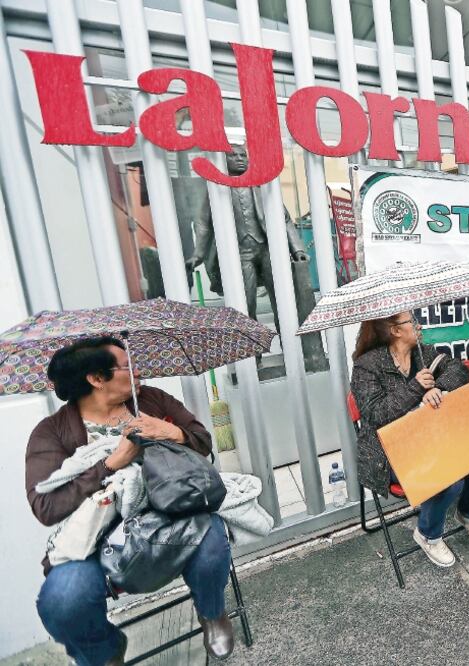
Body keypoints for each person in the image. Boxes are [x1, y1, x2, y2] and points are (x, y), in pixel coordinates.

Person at [26, 337, 234, 665]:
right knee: (62, 602)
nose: (137, 373)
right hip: (95, 543)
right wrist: (110, 464)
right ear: (96, 378)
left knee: (211, 536)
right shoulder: (51, 433)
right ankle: (105, 650)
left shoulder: (149, 400)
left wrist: (173, 433)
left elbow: (203, 440)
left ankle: (211, 612)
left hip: (168, 516)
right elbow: (46, 507)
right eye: (127, 367)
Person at [350, 312, 469, 568]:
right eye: (411, 322)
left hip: (430, 437)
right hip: (388, 453)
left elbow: (457, 368)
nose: (418, 325)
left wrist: (438, 388)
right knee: (448, 478)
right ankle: (427, 534)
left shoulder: (423, 352)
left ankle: (468, 514)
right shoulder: (366, 366)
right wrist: (416, 388)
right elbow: (376, 413)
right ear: (395, 330)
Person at [187, 145, 308, 332]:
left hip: (267, 248)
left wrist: (297, 249)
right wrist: (198, 254)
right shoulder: (217, 190)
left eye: (243, 155)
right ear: (224, 161)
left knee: (282, 301)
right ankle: (254, 354)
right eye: (233, 156)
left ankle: (289, 342)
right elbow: (203, 224)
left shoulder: (263, 187)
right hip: (240, 253)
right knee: (246, 303)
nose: (240, 159)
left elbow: (284, 218)